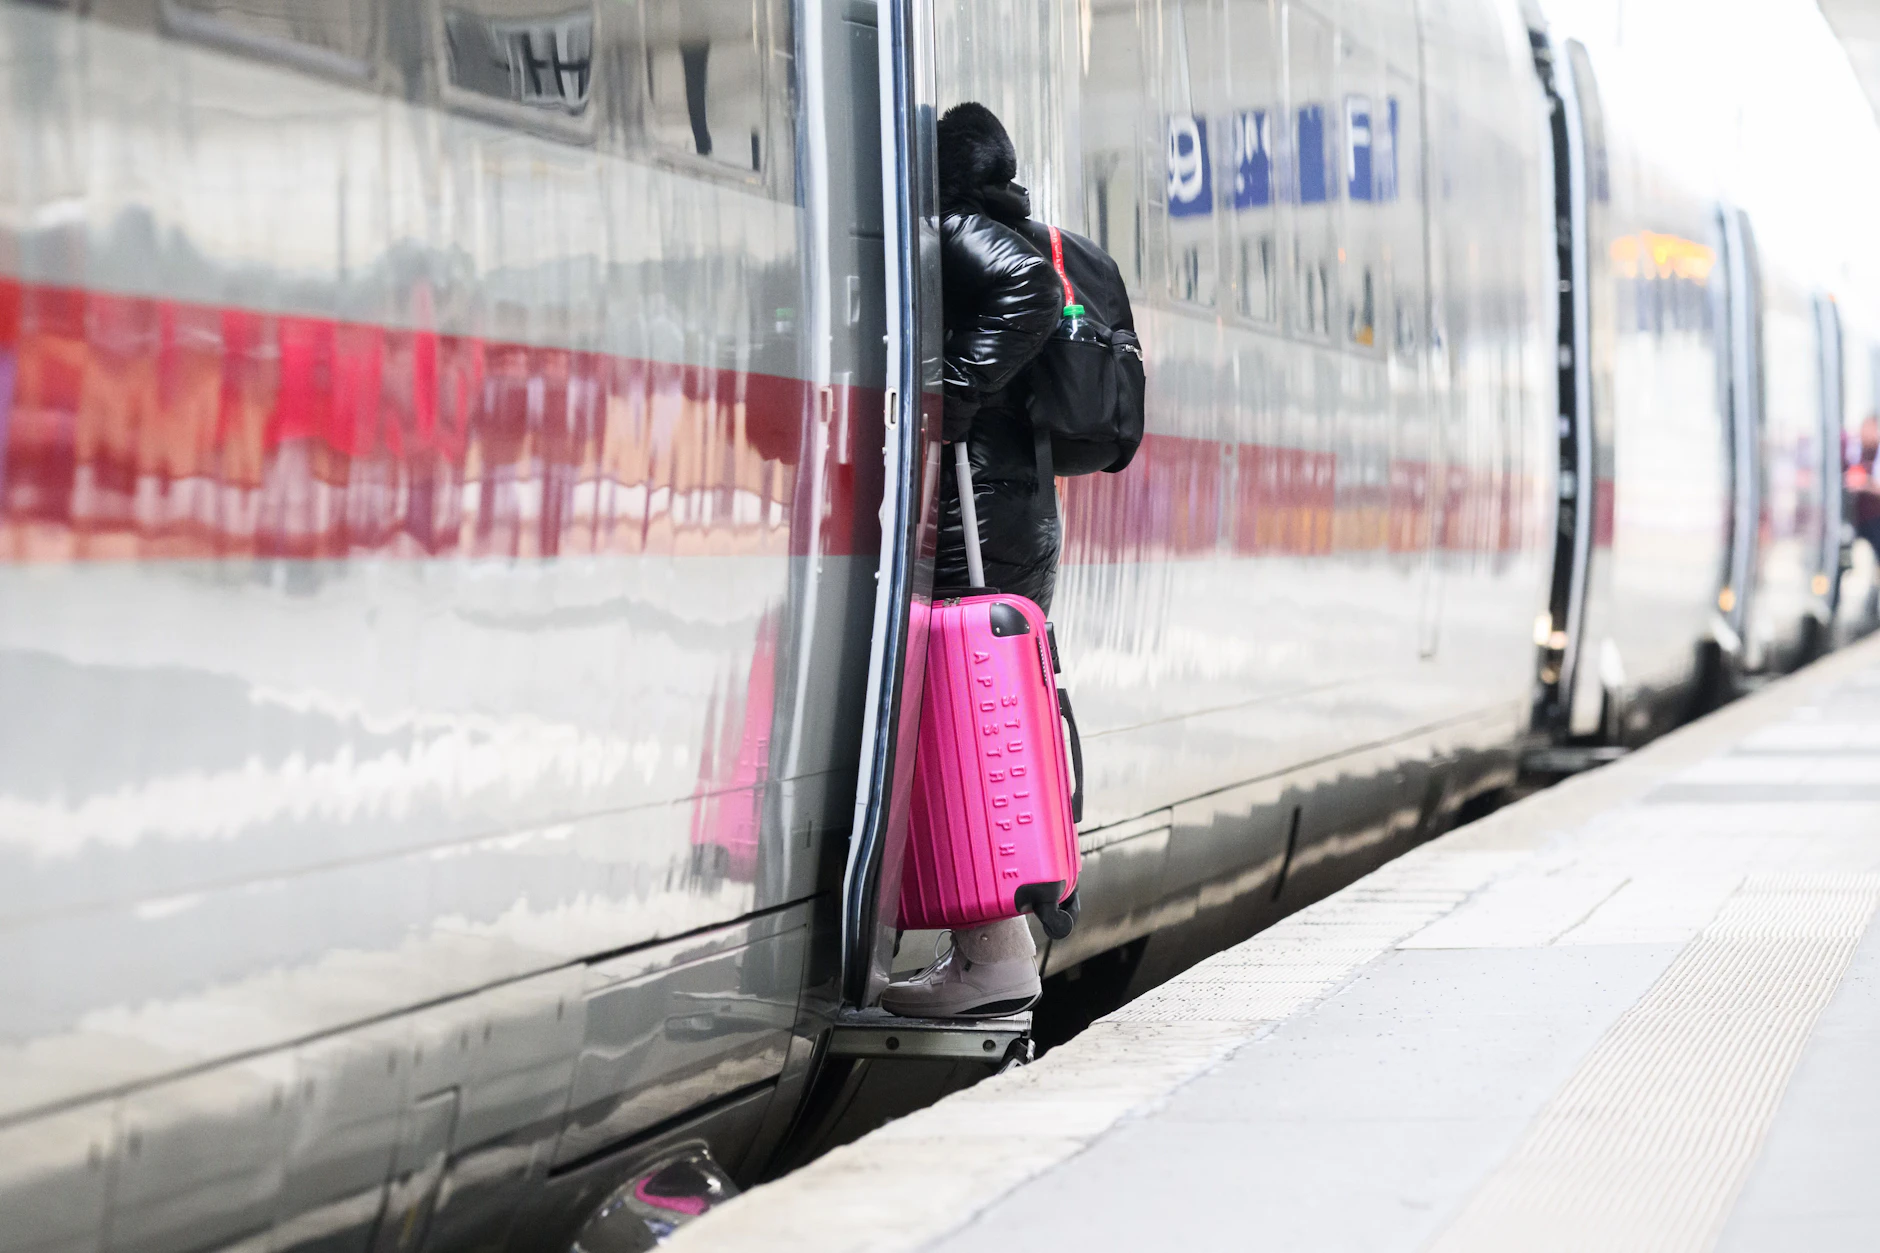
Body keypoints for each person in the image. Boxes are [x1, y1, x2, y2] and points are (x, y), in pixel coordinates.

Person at [880, 102, 1065, 1019]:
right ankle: (991, 954)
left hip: (977, 519)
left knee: (964, 717)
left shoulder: (956, 229)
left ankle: (992, 960)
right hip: (1001, 512)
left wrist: (950, 387)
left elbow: (1031, 290)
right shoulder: (991, 221)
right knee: (976, 716)